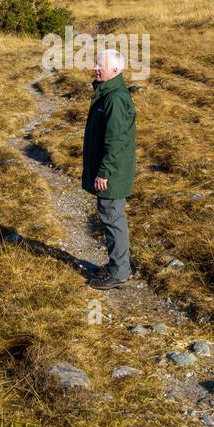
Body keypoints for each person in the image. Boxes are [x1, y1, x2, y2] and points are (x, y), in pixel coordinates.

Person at [82, 48, 137, 289]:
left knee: (112, 218)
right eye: (96, 64)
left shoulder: (115, 98)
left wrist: (104, 172)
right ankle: (118, 266)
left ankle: (119, 272)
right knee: (111, 217)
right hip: (113, 169)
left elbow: (115, 140)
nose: (95, 68)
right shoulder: (108, 94)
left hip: (113, 172)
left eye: (100, 66)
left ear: (114, 70)